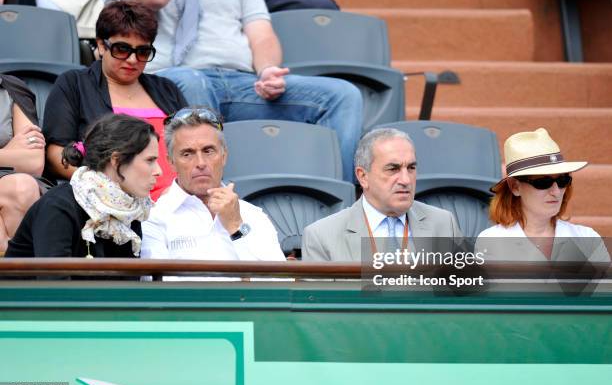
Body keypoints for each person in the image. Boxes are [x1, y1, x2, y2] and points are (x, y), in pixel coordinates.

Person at [131, 0, 362, 182]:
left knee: (342, 95)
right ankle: (215, 200)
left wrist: (268, 70)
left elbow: (261, 34)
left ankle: (340, 201)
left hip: (239, 81)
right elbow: (152, 1)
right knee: (194, 82)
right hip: (173, 77)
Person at [43, 0, 187, 200]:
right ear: (102, 45)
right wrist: (106, 187)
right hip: (112, 202)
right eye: (122, 49)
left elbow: (190, 144)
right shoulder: (74, 84)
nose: (132, 60)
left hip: (180, 203)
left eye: (143, 52)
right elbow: (55, 156)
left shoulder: (167, 89)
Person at [5, 114, 161, 257]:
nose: (159, 171)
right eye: (150, 160)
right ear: (116, 160)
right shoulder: (58, 207)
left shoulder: (130, 211)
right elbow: (53, 284)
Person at [141, 107, 285, 261]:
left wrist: (236, 226)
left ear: (223, 156)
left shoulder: (253, 215)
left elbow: (278, 281)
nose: (200, 163)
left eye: (208, 151)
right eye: (187, 154)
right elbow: (156, 284)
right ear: (171, 163)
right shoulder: (153, 217)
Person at [302, 128, 463, 262]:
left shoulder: (444, 224)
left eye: (411, 168)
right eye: (393, 169)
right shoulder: (321, 236)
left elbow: (466, 294)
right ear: (363, 176)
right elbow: (321, 300)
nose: (406, 180)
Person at [476, 128, 610, 263]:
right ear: (515, 187)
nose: (556, 191)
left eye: (562, 181)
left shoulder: (587, 238)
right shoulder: (492, 241)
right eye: (542, 182)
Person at [0, 75, 46, 254]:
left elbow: (33, 162)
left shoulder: (10, 88)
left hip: (8, 183)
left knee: (23, 187)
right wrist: (9, 153)